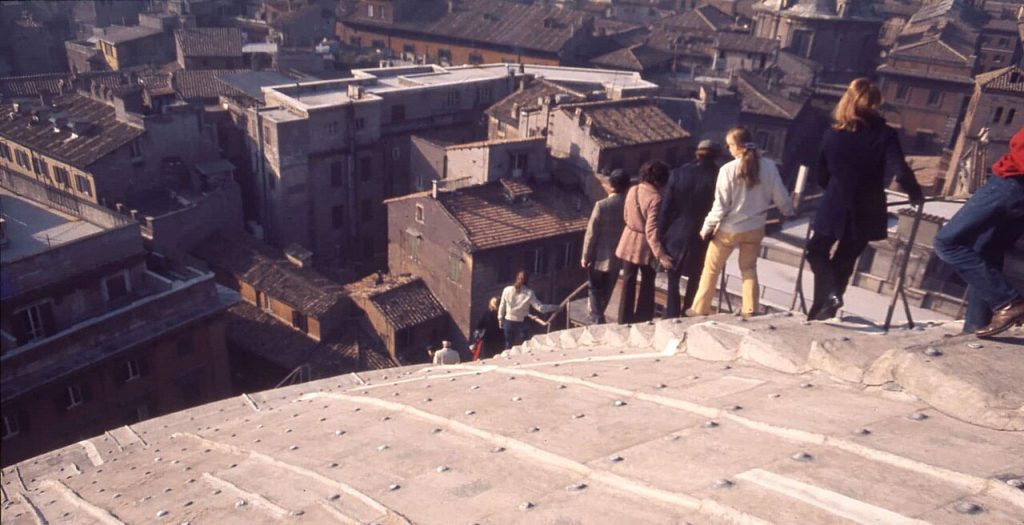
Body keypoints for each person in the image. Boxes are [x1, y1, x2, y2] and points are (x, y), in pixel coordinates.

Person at [806, 78, 924, 321]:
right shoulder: (886, 134)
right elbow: (900, 171)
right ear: (875, 104)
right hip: (868, 206)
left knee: (816, 251)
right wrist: (915, 194)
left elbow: (821, 174)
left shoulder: (833, 134)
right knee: (845, 260)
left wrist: (836, 190)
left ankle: (826, 301)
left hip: (835, 203)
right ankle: (827, 308)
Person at [688, 128, 795, 317]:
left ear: (737, 146)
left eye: (729, 145)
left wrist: (706, 229)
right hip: (755, 227)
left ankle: (700, 309)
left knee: (711, 270)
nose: (728, 149)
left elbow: (719, 206)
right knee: (748, 268)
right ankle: (750, 309)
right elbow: (781, 197)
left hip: (729, 229)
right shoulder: (770, 167)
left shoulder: (727, 170)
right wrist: (789, 212)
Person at [933, 126, 1024, 338]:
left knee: (947, 243)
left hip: (1010, 183)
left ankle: (1009, 302)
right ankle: (974, 326)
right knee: (987, 250)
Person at [659, 140, 720, 318]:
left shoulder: (678, 173)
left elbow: (666, 208)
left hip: (677, 232)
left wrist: (661, 235)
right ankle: (688, 313)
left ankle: (671, 315)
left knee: (673, 278)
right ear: (715, 156)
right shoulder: (719, 177)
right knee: (697, 277)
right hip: (705, 234)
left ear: (697, 154)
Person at [615, 160, 673, 323]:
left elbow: (626, 215)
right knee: (648, 281)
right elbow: (651, 229)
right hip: (646, 244)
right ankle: (642, 318)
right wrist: (661, 255)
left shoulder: (632, 190)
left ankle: (623, 319)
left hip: (628, 237)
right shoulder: (656, 198)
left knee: (628, 280)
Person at [581, 169, 629, 324]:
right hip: (618, 257)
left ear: (610, 185)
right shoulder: (629, 205)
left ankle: (597, 318)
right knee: (607, 291)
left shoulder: (602, 205)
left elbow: (591, 233)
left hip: (598, 256)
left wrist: (585, 256)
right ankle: (598, 316)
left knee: (594, 289)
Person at [497, 271, 557, 349]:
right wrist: (554, 307)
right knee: (523, 346)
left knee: (508, 346)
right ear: (527, 280)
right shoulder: (529, 293)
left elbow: (502, 306)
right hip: (522, 323)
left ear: (516, 278)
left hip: (509, 322)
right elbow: (540, 308)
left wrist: (500, 319)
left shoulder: (507, 290)